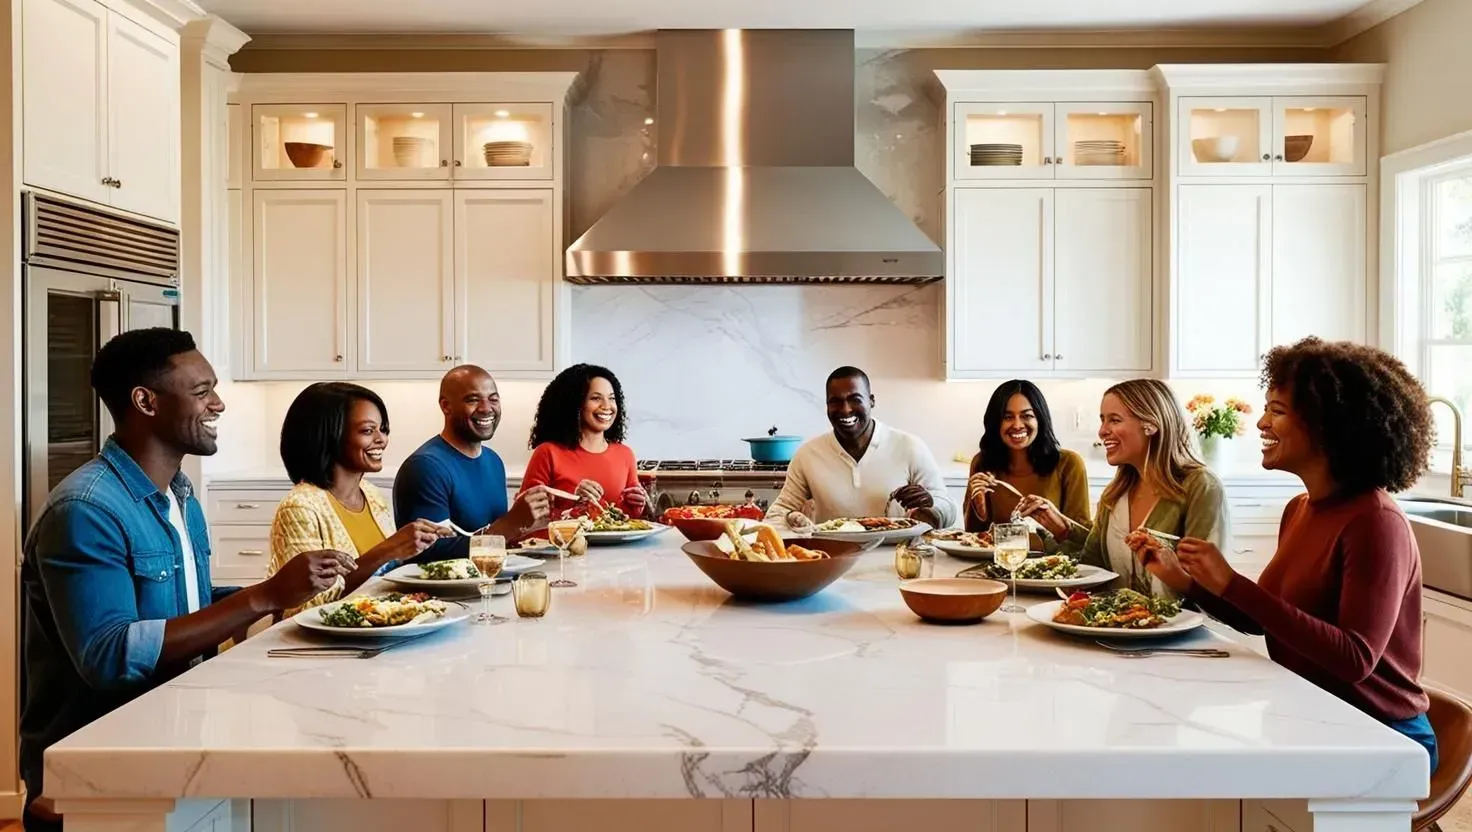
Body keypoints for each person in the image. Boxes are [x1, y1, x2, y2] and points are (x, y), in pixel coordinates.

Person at [19, 329, 352, 832]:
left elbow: (185, 607)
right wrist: (263, 596)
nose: (217, 403)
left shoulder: (179, 494)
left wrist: (272, 599)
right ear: (145, 402)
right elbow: (111, 656)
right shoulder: (86, 510)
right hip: (96, 771)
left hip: (172, 736)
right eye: (201, 391)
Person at [1140, 339, 1439, 773]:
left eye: (1277, 411)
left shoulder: (1375, 521)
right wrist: (1187, 579)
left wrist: (1232, 583)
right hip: (1311, 709)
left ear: (1327, 424)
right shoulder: (1298, 510)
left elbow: (1355, 660)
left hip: (1380, 733)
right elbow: (1266, 620)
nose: (1262, 422)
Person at [266, 382, 451, 612]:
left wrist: (412, 548)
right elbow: (305, 606)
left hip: (377, 630)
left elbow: (383, 578)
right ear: (328, 435)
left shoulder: (371, 495)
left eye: (382, 429)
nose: (381, 439)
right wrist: (389, 549)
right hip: (320, 644)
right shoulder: (300, 507)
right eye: (367, 430)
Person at [1038, 378, 1228, 595]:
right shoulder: (1115, 493)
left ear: (1150, 424)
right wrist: (1059, 531)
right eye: (1103, 420)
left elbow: (1209, 587)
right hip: (1115, 626)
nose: (1102, 431)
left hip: (1179, 627)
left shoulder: (1201, 486)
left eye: (1114, 420)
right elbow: (1091, 568)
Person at [766, 366, 956, 531]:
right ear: (827, 406)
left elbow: (948, 508)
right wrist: (790, 519)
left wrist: (931, 505)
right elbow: (778, 513)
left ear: (871, 401)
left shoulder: (909, 447)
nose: (846, 409)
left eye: (855, 399)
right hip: (833, 561)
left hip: (899, 558)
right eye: (835, 402)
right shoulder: (808, 455)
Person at [394, 365, 553, 559]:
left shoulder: (494, 461)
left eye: (493, 399)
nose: (486, 408)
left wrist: (527, 524)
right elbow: (430, 555)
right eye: (473, 400)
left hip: (495, 583)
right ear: (445, 406)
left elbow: (492, 536)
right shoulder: (425, 467)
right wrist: (509, 524)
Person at [965, 380, 1091, 546]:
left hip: (1053, 567)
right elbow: (973, 538)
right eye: (1007, 417)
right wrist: (976, 506)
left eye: (1027, 416)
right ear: (995, 422)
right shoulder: (982, 463)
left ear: (1040, 419)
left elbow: (1084, 541)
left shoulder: (1069, 464)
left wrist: (1058, 525)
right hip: (998, 565)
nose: (1017, 425)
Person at [519, 363, 650, 518]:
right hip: (563, 542)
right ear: (574, 404)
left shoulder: (625, 454)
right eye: (596, 398)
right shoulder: (548, 453)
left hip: (617, 544)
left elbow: (625, 521)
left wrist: (635, 508)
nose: (607, 406)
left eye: (611, 398)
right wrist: (574, 505)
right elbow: (523, 517)